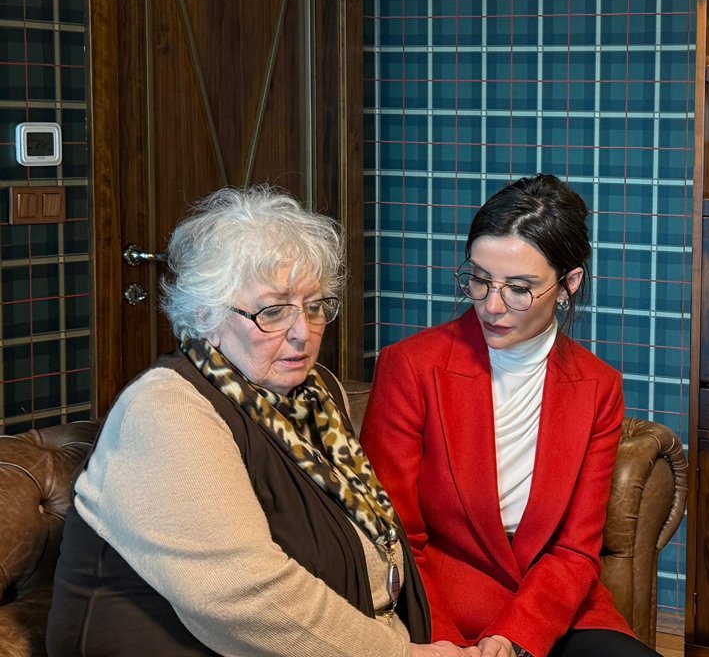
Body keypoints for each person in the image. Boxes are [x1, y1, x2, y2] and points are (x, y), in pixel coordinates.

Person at [47, 187, 467, 657]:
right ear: (206, 315)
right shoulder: (166, 409)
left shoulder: (314, 393)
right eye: (273, 311)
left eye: (314, 306)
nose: (303, 332)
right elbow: (244, 596)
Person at [361, 174, 659, 657]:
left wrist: (515, 636)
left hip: (553, 606)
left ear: (568, 285)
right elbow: (392, 537)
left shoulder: (599, 386)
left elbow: (575, 548)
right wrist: (445, 644)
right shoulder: (411, 367)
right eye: (479, 280)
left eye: (519, 288)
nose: (492, 306)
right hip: (442, 607)